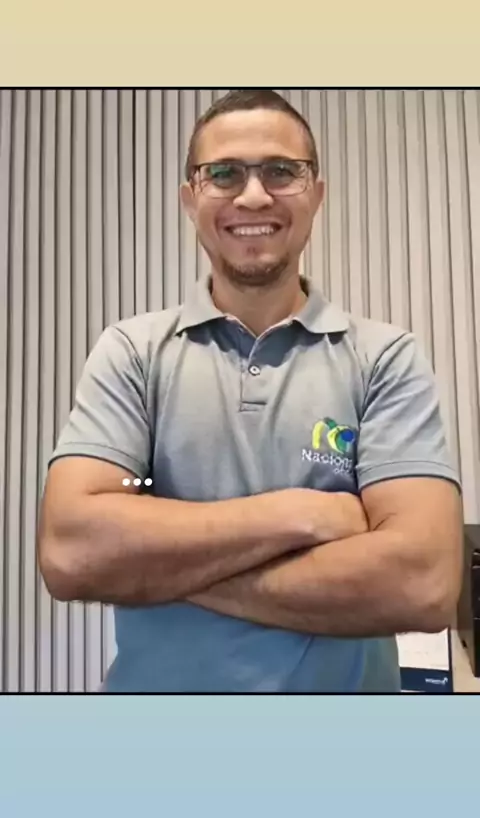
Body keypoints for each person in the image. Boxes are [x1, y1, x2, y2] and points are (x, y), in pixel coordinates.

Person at [37, 89, 463, 693]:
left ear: (317, 194)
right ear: (191, 199)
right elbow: (71, 551)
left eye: (282, 171)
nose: (254, 195)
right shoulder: (131, 352)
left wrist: (161, 569)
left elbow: (421, 583)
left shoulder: (384, 358)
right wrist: (304, 514)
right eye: (224, 173)